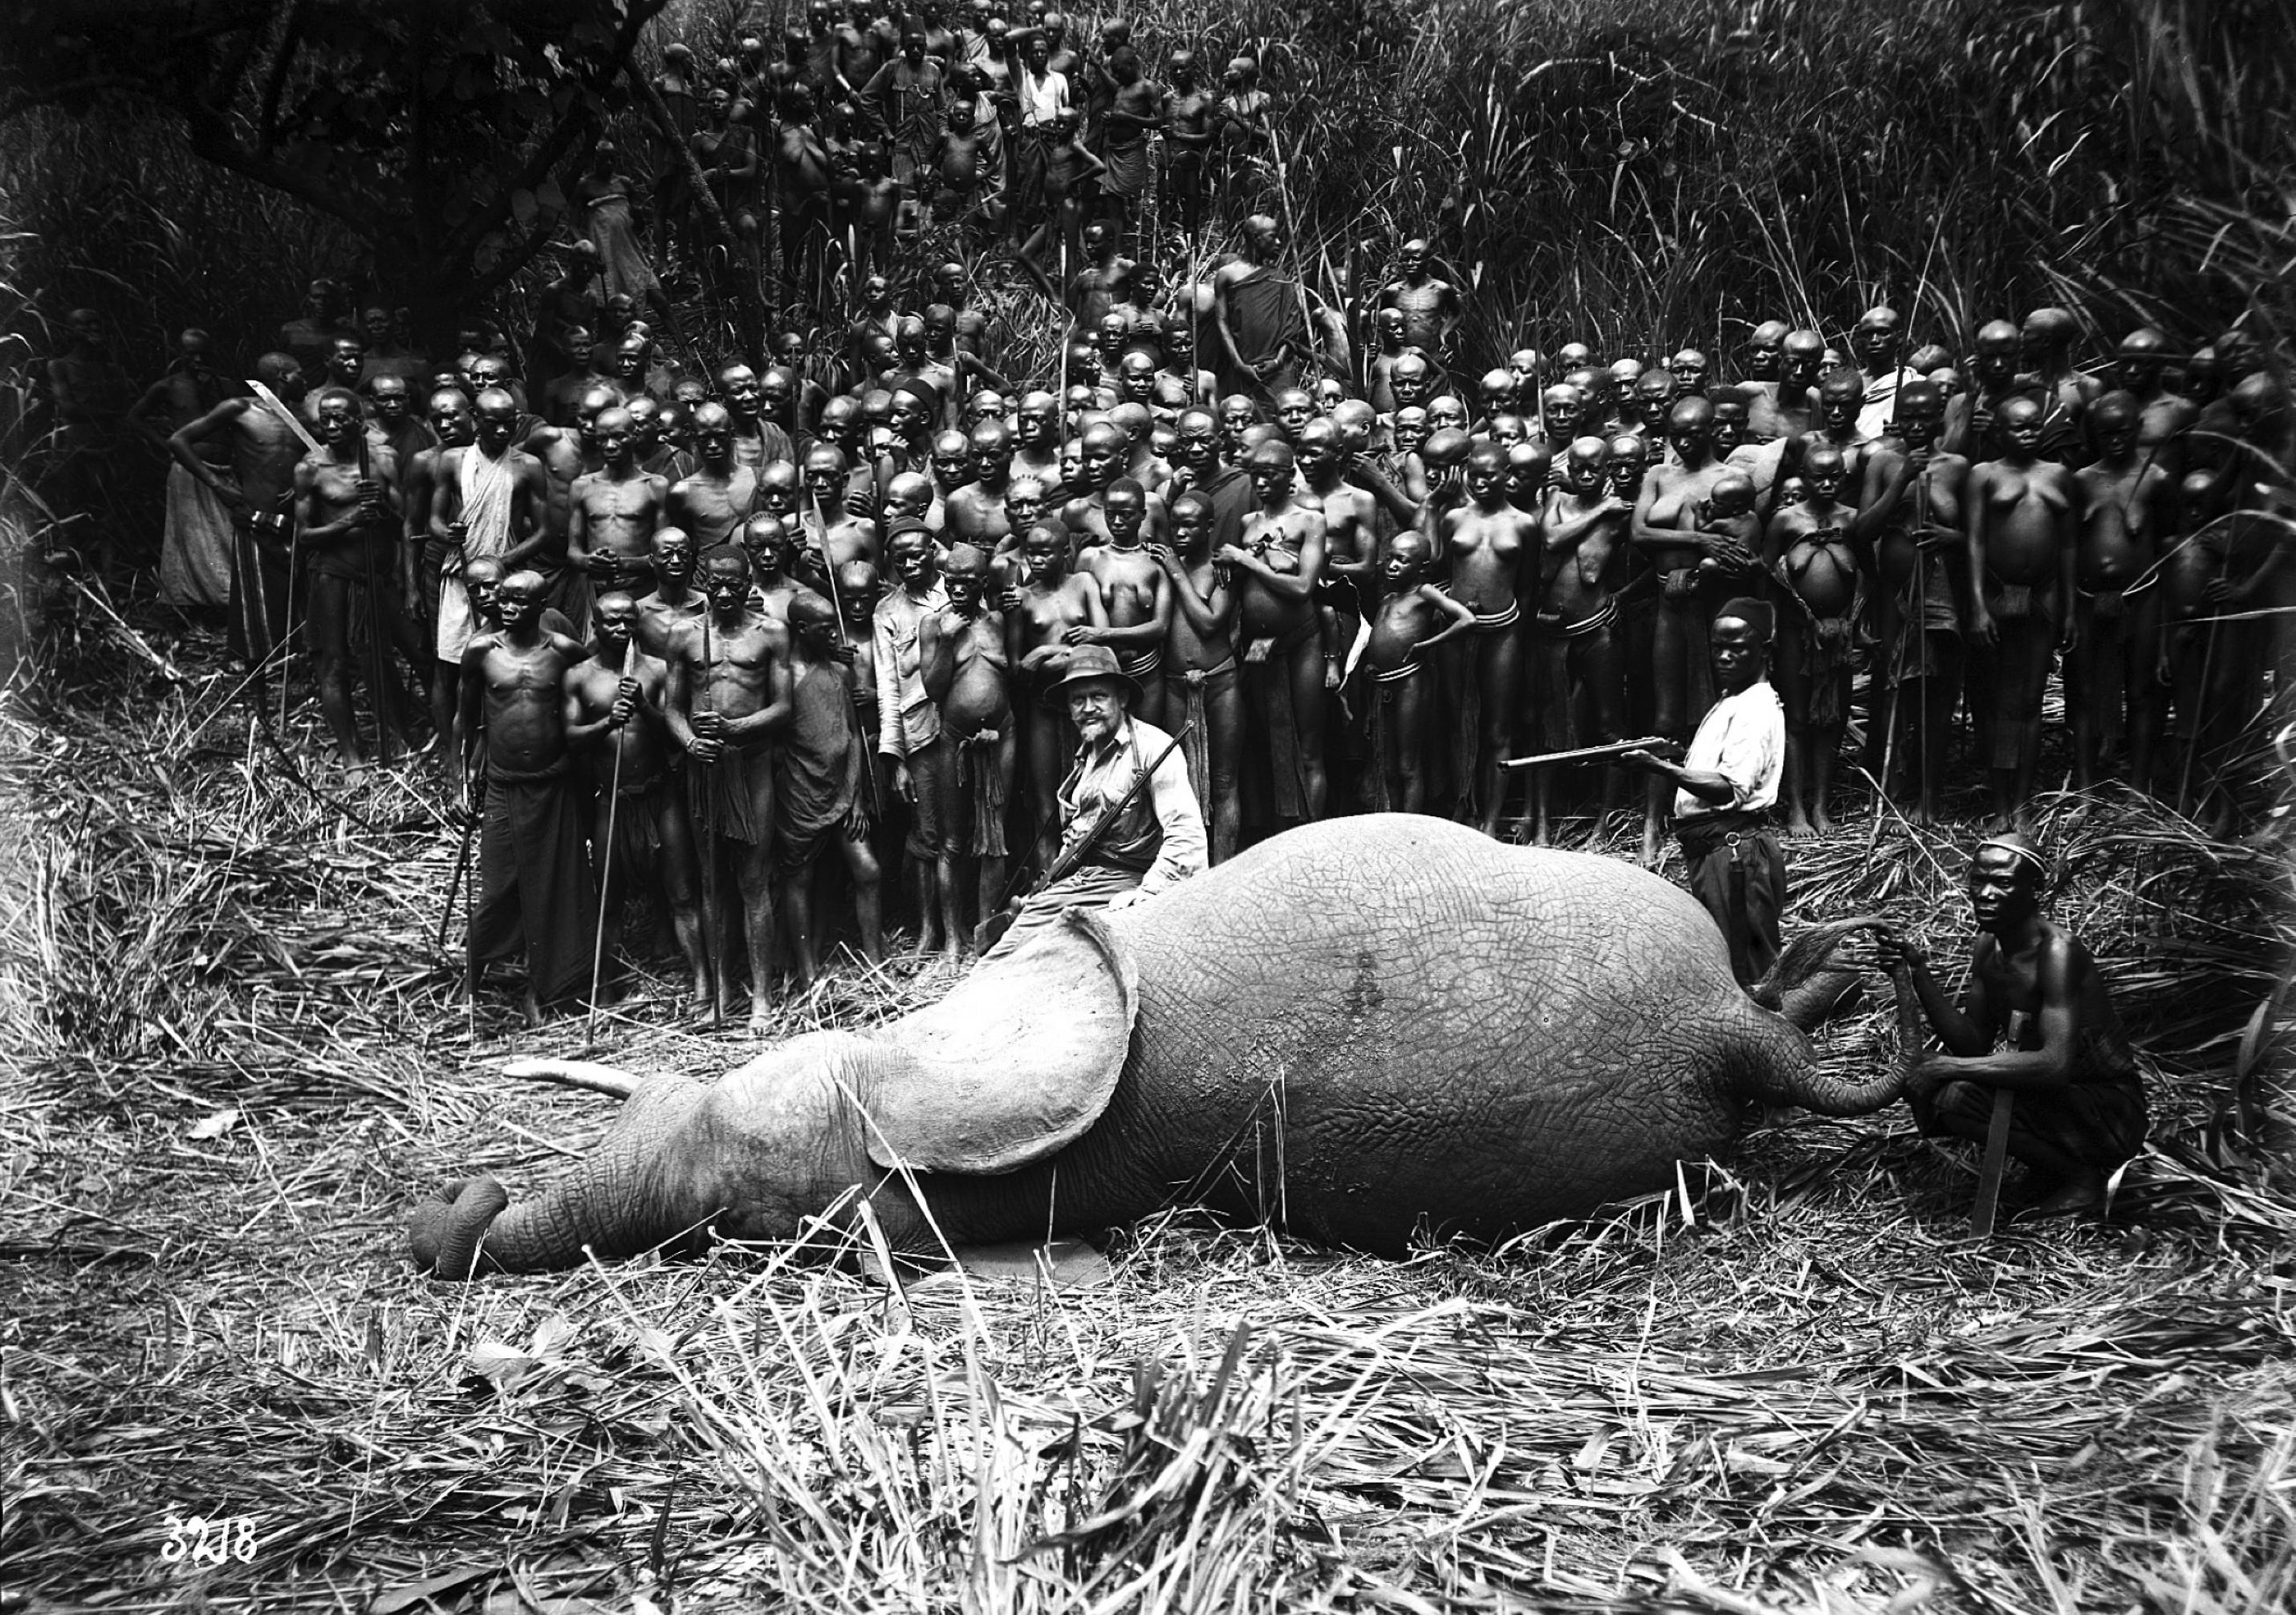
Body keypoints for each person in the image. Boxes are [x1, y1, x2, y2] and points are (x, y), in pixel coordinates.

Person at [1871, 833, 2147, 1217]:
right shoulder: (1988, 944)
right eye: (1978, 880)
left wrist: (1950, 1068)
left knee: (1953, 1092)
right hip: (2058, 1099)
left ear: (2035, 889)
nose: (1985, 893)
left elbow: (2054, 1066)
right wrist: (1919, 973)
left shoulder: (2057, 953)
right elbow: (1971, 1043)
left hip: (2108, 1111)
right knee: (1924, 1080)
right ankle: (2049, 1168)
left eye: (2002, 882)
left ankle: (2082, 1176)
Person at [984, 643, 1205, 957]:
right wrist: (1046, 893)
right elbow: (1076, 841)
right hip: (1083, 882)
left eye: (1098, 697)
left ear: (1122, 699)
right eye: (1078, 700)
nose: (1088, 708)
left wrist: (1148, 895)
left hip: (1133, 879)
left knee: (1013, 951)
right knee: (1013, 937)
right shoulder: (1083, 761)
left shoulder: (1154, 749)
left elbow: (1187, 837)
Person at [1620, 598, 1786, 987]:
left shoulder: (1755, 708)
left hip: (1732, 852)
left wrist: (1658, 767)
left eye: (1738, 648)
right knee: (1729, 963)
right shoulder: (1734, 701)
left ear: (1764, 650)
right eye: (1717, 647)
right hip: (1712, 850)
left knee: (1748, 974)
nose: (1724, 657)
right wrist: (1673, 755)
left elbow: (1727, 788)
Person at [458, 569, 598, 1023]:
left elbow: (598, 679)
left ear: (541, 607)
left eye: (520, 600)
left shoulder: (563, 652)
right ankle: (472, 978)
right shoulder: (481, 651)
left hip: (554, 783)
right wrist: (463, 779)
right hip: (503, 784)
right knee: (497, 886)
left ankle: (545, 987)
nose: (508, 606)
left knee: (553, 887)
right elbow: (466, 722)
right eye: (503, 598)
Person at [563, 591, 710, 1002]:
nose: (622, 628)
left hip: (658, 796)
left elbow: (674, 732)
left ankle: (702, 983)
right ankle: (606, 988)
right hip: (612, 800)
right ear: (595, 624)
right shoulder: (579, 676)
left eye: (630, 620)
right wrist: (607, 723)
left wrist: (645, 707)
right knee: (609, 898)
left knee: (682, 892)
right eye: (612, 621)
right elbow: (570, 738)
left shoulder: (659, 670)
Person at [666, 546, 791, 1026]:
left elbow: (784, 708)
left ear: (748, 584)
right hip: (706, 767)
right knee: (711, 880)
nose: (722, 593)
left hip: (751, 764)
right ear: (703, 581)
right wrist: (690, 742)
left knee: (754, 880)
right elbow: (672, 709)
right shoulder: (684, 636)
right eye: (714, 583)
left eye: (733, 584)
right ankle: (719, 990)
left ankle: (761, 997)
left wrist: (740, 730)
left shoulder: (771, 635)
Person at [166, 352, 311, 681]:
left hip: (296, 520)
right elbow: (179, 440)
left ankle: (292, 660)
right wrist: (218, 485)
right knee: (253, 592)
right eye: (300, 374)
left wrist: (307, 483)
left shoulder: (305, 417)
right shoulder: (240, 409)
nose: (306, 381)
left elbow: (321, 458)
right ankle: (252, 662)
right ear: (283, 376)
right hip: (256, 514)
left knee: (295, 590)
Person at [1968, 395, 2077, 829]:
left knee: (2030, 701)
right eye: (2018, 427)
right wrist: (1977, 605)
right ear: (1999, 431)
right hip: (1997, 595)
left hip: (2044, 596)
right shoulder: (1984, 475)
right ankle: (1999, 804)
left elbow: (2069, 545)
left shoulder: (2060, 476)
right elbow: (1974, 540)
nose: (2028, 433)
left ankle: (2023, 803)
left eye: (2034, 426)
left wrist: (2068, 610)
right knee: (1997, 701)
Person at [293, 388, 408, 770]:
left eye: (340, 418)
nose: (331, 426)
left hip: (376, 576)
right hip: (333, 578)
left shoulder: (384, 460)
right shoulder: (310, 469)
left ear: (360, 422)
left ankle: (398, 733)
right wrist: (349, 521)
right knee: (334, 664)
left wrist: (382, 509)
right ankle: (350, 753)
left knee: (384, 655)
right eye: (325, 419)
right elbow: (304, 537)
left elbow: (402, 525)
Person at [2069, 390, 2176, 791]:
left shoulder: (2157, 480)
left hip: (2143, 596)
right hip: (2087, 599)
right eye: (2106, 433)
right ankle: (2084, 786)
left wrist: (2165, 625)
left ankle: (2136, 785)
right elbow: (2070, 547)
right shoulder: (2082, 481)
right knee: (2082, 691)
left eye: (2123, 431)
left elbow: (2167, 548)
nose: (2115, 440)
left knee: (2142, 691)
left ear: (2138, 429)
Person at [777, 592, 885, 984]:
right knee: (800, 879)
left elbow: (854, 736)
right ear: (803, 630)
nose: (836, 637)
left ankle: (876, 963)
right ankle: (808, 973)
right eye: (827, 630)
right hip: (801, 791)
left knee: (868, 871)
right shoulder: (784, 676)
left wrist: (856, 797)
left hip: (843, 791)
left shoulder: (839, 671)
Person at [1530, 436, 1632, 844]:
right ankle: (1540, 823)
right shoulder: (1556, 499)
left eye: (1596, 468)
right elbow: (1552, 541)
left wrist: (1622, 598)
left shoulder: (1622, 512)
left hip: (1597, 629)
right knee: (1545, 724)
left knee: (1609, 726)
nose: (1587, 475)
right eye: (1579, 468)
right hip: (1552, 632)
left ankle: (1604, 822)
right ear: (1568, 470)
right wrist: (1599, 511)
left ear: (1608, 471)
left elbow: (1647, 557)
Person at [1225, 438, 1329, 826]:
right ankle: (1282, 833)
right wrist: (1231, 567)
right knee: (1270, 744)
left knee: (1308, 746)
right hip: (1260, 647)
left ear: (1289, 476)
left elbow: (1304, 587)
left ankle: (1311, 836)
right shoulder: (1248, 525)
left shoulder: (1310, 520)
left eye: (1269, 475)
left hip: (1302, 641)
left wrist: (1248, 563)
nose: (1261, 483)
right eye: (1256, 476)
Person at [1762, 442, 1862, 834]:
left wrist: (1858, 629)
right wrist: (1768, 635)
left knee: (1832, 718)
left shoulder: (1852, 521)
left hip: (1838, 635)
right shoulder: (1786, 521)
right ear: (1803, 475)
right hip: (1795, 634)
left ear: (1845, 477)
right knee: (1798, 718)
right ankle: (1796, 809)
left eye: (1834, 477)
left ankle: (1821, 805)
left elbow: (1866, 576)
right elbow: (1767, 578)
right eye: (1818, 477)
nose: (1826, 484)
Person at [1439, 441, 1537, 835]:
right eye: (1474, 476)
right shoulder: (1453, 518)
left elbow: (1528, 588)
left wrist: (1520, 637)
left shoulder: (1523, 524)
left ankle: (1491, 823)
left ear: (1506, 476)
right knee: (1456, 721)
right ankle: (1461, 809)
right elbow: (1444, 574)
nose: (1480, 483)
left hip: (1504, 631)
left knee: (1498, 728)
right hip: (1456, 633)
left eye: (1489, 476)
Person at [1363, 530, 1478, 814]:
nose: (1392, 565)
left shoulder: (1424, 593)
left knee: (1407, 765)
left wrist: (1427, 645)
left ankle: (1412, 829)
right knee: (1388, 767)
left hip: (1411, 682)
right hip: (1384, 684)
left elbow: (1467, 620)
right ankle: (1395, 825)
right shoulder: (1388, 598)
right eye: (1390, 558)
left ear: (1421, 568)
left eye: (1402, 561)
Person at [933, 543, 1016, 939]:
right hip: (954, 740)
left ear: (983, 584)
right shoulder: (934, 625)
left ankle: (986, 933)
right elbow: (934, 690)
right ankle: (951, 939)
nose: (958, 590)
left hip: (1002, 736)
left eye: (967, 583)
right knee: (952, 839)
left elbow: (1013, 677)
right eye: (951, 582)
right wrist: (947, 643)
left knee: (994, 835)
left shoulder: (999, 621)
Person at [134, 327, 237, 610]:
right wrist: (167, 446)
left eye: (203, 354)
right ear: (180, 355)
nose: (198, 360)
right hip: (188, 469)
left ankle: (227, 599)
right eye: (191, 354)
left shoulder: (226, 387)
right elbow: (136, 417)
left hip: (224, 469)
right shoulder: (169, 386)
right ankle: (192, 602)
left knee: (224, 535)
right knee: (190, 535)